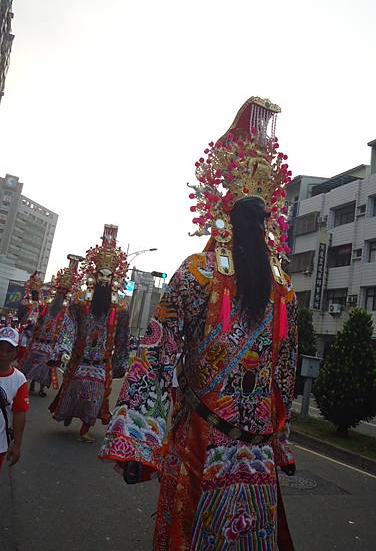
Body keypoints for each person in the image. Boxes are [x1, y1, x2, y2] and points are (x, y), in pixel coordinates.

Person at [100, 98, 299, 549]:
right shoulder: (285, 287)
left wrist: (139, 443)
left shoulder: (198, 272)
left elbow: (156, 353)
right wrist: (281, 441)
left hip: (201, 441)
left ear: (221, 210)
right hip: (257, 451)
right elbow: (283, 378)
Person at [49, 225, 130, 443]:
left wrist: (121, 360)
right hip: (79, 358)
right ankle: (69, 414)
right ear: (94, 276)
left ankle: (85, 427)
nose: (104, 279)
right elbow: (69, 326)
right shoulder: (81, 303)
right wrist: (64, 348)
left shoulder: (119, 308)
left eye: (108, 276)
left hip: (100, 363)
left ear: (114, 278)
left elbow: (123, 337)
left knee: (94, 396)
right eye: (101, 275)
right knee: (74, 389)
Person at [21, 255, 83, 397]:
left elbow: (68, 331)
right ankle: (31, 385)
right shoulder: (46, 307)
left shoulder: (65, 313)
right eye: (59, 291)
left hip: (50, 345)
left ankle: (42, 387)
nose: (61, 295)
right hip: (38, 342)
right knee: (31, 363)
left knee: (45, 367)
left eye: (64, 292)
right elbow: (35, 320)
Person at [0, 326, 29, 471]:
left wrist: (17, 444)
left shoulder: (19, 380)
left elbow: (19, 414)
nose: (3, 354)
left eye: (9, 350)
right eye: (0, 348)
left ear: (16, 352)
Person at [16, 271, 44, 364]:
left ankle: (24, 361)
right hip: (26, 324)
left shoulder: (40, 301)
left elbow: (41, 306)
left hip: (34, 326)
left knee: (29, 345)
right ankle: (19, 360)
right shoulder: (27, 299)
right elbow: (24, 305)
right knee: (22, 343)